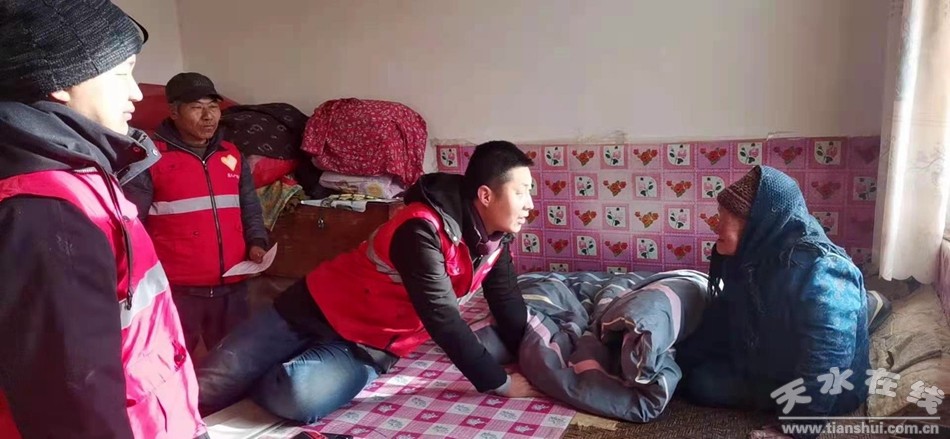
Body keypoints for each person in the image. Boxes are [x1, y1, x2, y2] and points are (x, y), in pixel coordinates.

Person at [198, 140, 539, 422]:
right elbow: (444, 319)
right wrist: (499, 383)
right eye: (522, 192)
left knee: (296, 398)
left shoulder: (494, 241)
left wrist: (532, 356)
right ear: (485, 196)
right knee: (208, 383)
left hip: (369, 345)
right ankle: (255, 372)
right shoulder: (421, 228)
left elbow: (506, 300)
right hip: (310, 308)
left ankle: (262, 376)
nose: (530, 204)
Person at [0, 1, 206, 438]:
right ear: (61, 82)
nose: (136, 93)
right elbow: (74, 400)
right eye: (121, 73)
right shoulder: (47, 208)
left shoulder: (81, 171)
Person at [677, 166, 870, 438]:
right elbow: (722, 317)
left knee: (703, 386)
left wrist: (797, 428)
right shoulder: (752, 258)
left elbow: (828, 356)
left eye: (727, 217)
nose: (716, 225)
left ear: (759, 222)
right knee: (693, 376)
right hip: (771, 363)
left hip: (831, 389)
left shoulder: (824, 269)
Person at [123, 72, 269, 355]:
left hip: (232, 287)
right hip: (178, 290)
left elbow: (249, 206)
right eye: (196, 107)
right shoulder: (150, 158)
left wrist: (257, 241)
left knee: (232, 360)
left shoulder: (231, 154)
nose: (208, 116)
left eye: (213, 107)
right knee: (174, 360)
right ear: (174, 112)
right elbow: (133, 223)